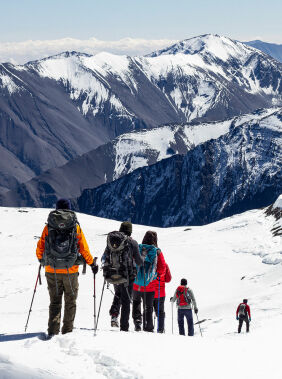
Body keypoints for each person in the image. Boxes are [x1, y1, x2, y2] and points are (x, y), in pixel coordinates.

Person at [36, 198, 98, 337]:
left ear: (57, 209)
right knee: (70, 301)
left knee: (55, 302)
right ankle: (67, 332)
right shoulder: (75, 226)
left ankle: (52, 332)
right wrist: (92, 264)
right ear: (70, 209)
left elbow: (40, 247)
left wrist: (42, 260)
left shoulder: (49, 227)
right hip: (70, 270)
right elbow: (84, 249)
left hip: (52, 270)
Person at [103, 221, 144, 332]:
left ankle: (114, 315)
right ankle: (124, 327)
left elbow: (105, 255)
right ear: (130, 231)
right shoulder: (133, 243)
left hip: (113, 274)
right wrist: (143, 258)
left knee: (118, 294)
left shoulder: (112, 241)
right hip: (128, 276)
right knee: (126, 301)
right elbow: (139, 261)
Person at [132, 231, 166, 332]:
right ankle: (148, 327)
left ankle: (137, 322)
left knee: (136, 302)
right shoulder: (157, 251)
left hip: (136, 283)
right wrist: (156, 276)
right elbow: (162, 269)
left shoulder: (137, 248)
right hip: (150, 285)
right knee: (148, 307)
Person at [153, 263, 171, 333]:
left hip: (149, 291)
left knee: (148, 309)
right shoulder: (164, 264)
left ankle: (148, 327)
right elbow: (168, 279)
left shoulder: (149, 261)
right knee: (160, 311)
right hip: (161, 293)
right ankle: (160, 329)